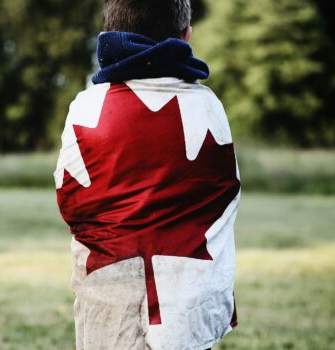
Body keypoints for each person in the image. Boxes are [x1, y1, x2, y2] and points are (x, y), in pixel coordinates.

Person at [54, 1, 241, 349]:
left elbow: (72, 204)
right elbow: (225, 195)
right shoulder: (208, 106)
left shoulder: (85, 108)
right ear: (187, 35)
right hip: (187, 310)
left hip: (108, 301)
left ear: (110, 33)